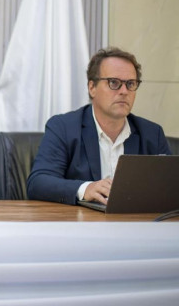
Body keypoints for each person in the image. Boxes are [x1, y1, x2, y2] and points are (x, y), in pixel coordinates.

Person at [27, 47, 171, 205]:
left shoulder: (152, 134)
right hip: (80, 220)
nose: (124, 91)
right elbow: (38, 183)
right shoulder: (63, 127)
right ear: (92, 88)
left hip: (133, 219)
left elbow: (171, 187)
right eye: (114, 82)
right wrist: (85, 189)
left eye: (130, 84)